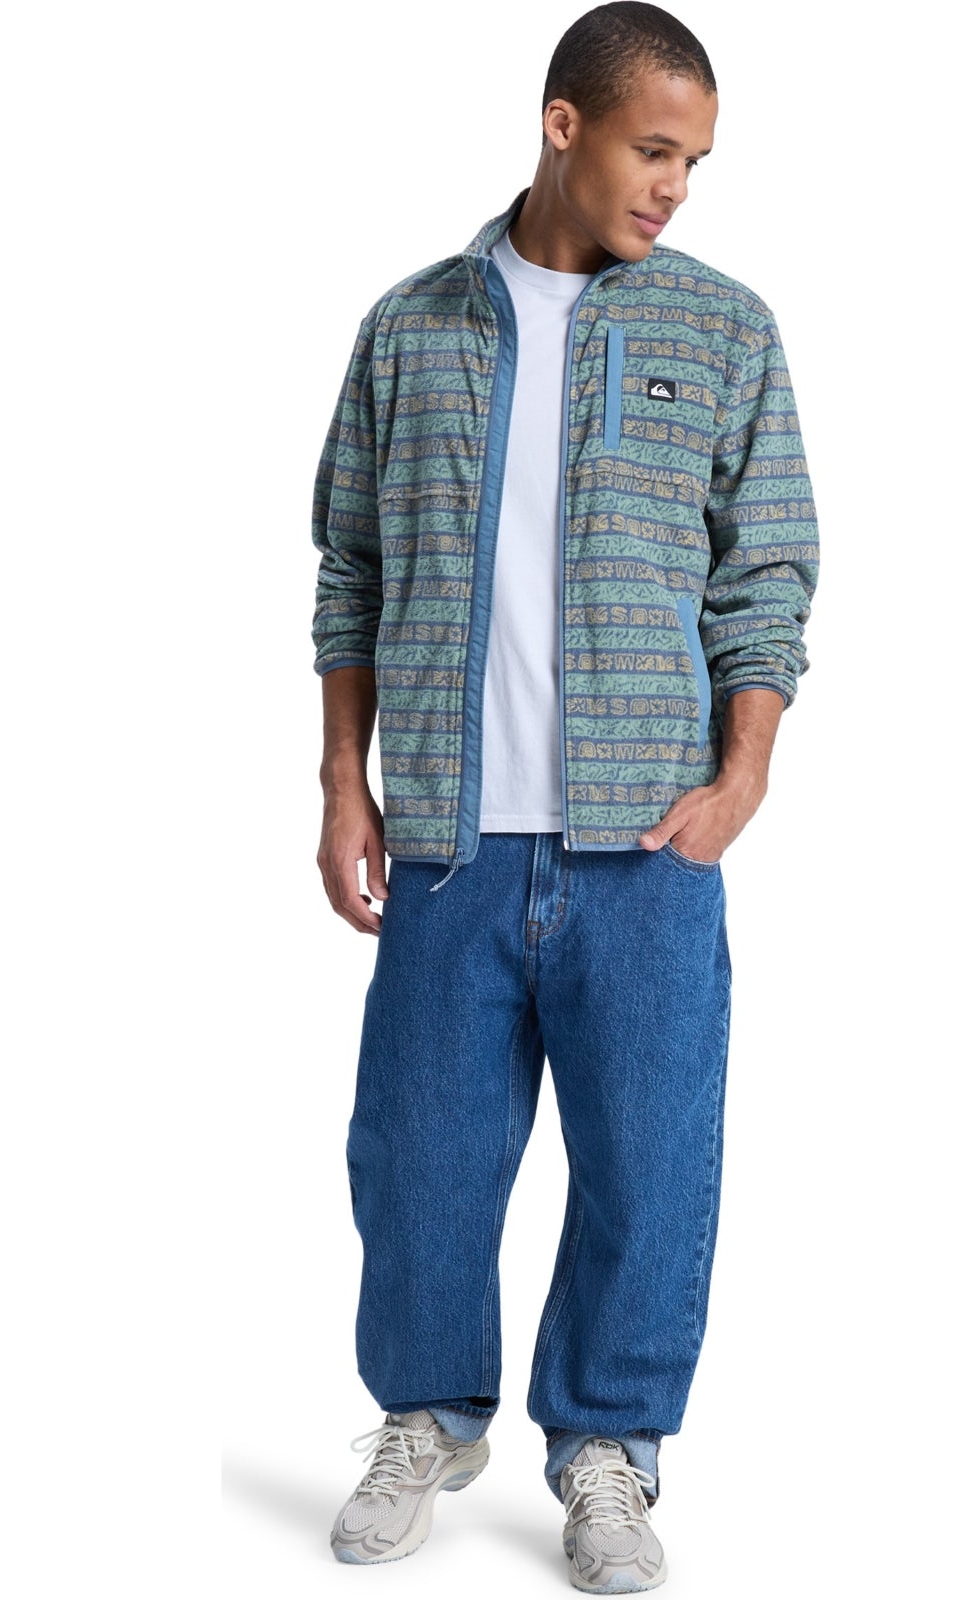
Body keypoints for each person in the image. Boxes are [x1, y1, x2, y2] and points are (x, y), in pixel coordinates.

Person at [309, 4, 819, 1589]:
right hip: (449, 835)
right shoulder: (412, 327)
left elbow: (768, 578)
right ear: (562, 126)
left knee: (648, 1169)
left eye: (697, 162)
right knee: (420, 1160)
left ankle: (609, 1448)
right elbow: (351, 572)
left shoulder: (725, 330)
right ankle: (425, 1418)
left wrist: (742, 779)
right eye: (655, 149)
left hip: (645, 840)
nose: (676, 186)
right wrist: (342, 782)